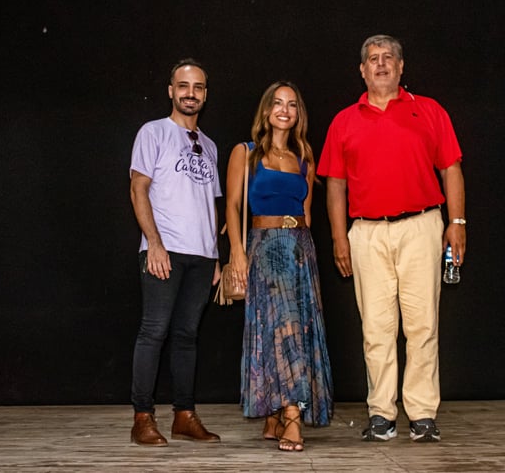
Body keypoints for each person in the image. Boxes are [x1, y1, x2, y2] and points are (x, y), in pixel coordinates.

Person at [317, 35, 466, 443]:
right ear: (362, 70)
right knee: (376, 327)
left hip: (421, 226)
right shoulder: (344, 120)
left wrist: (457, 222)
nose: (380, 64)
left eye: (388, 58)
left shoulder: (429, 110)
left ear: (401, 67)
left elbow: (451, 168)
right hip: (367, 232)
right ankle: (381, 413)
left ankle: (422, 413)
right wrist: (339, 237)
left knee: (423, 325)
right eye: (373, 59)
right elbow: (335, 185)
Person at [225, 81, 334, 452]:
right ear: (266, 110)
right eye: (277, 103)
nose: (284, 110)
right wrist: (237, 252)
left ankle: (275, 413)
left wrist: (307, 255)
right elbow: (232, 206)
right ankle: (291, 417)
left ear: (298, 113)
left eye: (292, 104)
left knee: (295, 328)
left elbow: (307, 214)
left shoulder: (305, 156)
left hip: (299, 249)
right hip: (264, 248)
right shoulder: (246, 153)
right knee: (279, 329)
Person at [128, 58, 222, 446]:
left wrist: (215, 256)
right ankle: (142, 418)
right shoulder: (153, 132)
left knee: (187, 335)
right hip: (164, 249)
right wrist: (154, 243)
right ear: (171, 90)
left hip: (202, 256)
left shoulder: (210, 145)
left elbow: (211, 206)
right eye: (183, 86)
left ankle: (184, 415)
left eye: (198, 87)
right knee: (154, 331)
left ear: (205, 94)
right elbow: (138, 188)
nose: (190, 93)